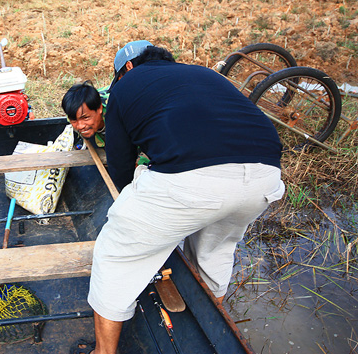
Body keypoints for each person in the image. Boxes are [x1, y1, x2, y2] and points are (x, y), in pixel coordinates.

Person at [64, 41, 285, 354]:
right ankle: (208, 333)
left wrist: (135, 211)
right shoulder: (205, 75)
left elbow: (122, 167)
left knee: (114, 254)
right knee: (214, 251)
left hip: (194, 180)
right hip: (265, 176)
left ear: (127, 68)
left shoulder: (126, 88)